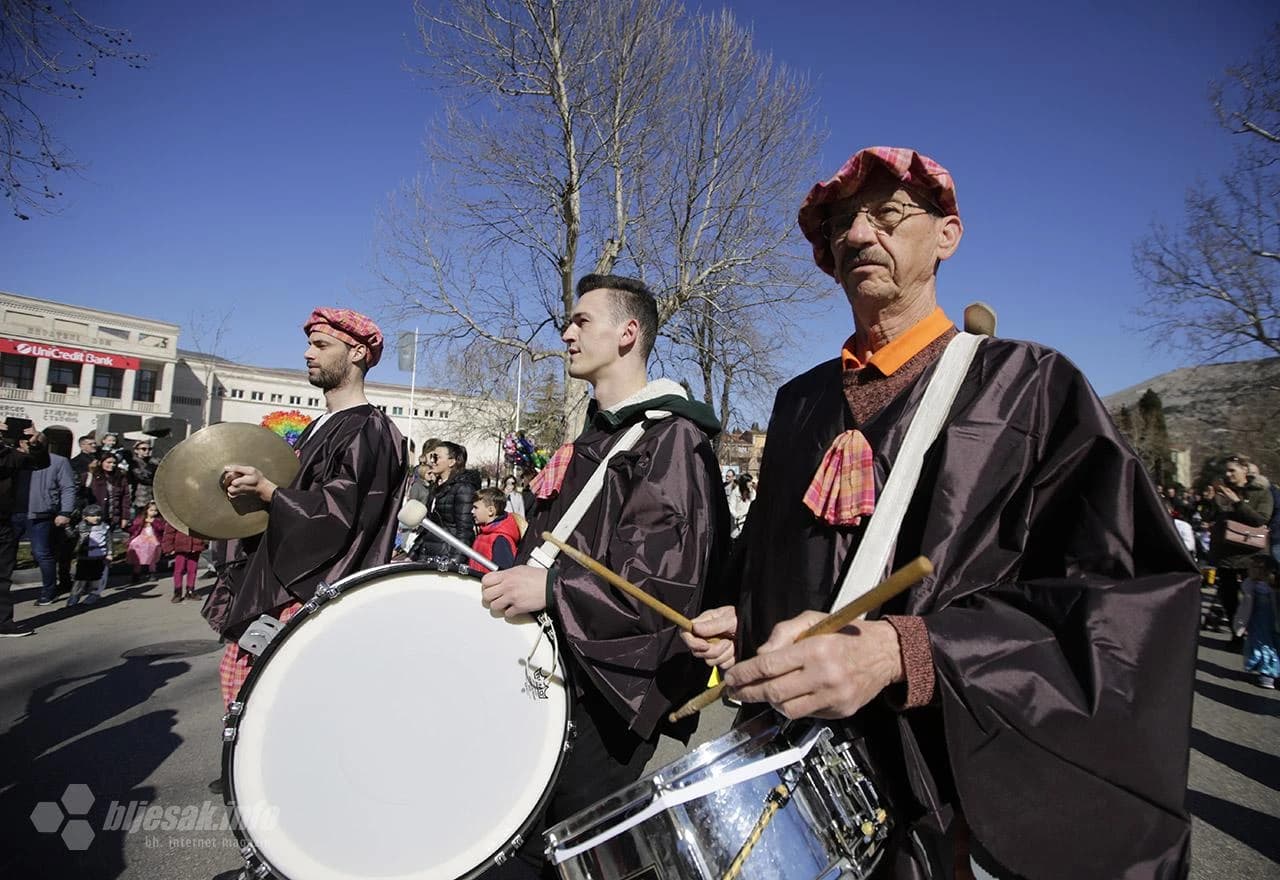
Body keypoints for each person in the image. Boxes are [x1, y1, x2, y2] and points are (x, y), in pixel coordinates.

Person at [682, 147, 1199, 879]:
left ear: (947, 235)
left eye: (889, 214)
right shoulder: (798, 403)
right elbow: (777, 556)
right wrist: (744, 612)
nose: (860, 235)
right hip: (789, 785)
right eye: (840, 223)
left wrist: (903, 652)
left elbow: (1124, 605)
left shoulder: (1030, 390)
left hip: (939, 789)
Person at [477, 273, 732, 879]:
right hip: (564, 669)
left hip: (611, 692)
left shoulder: (672, 439)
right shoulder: (600, 432)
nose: (565, 333)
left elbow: (663, 582)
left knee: (550, 854)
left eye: (581, 321)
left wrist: (552, 589)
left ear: (628, 333)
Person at [210, 307, 406, 710]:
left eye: (321, 344)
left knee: (282, 706)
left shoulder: (369, 428)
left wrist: (269, 492)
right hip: (281, 581)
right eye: (308, 344)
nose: (306, 353)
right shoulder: (319, 424)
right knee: (247, 701)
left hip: (309, 591)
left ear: (356, 353)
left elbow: (342, 516)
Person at [1210, 454, 1273, 649]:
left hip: (1252, 556)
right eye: (1226, 471)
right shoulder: (1223, 492)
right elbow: (1214, 517)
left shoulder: (1261, 492)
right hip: (1227, 555)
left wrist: (1238, 503)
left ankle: (1257, 637)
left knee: (1254, 598)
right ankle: (1236, 634)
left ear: (1245, 470)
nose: (1228, 475)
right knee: (1228, 598)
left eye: (1232, 471)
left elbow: (1260, 520)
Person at [13, 431, 77, 606]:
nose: (33, 445)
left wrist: (65, 512)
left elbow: (68, 488)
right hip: (14, 513)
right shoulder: (15, 459)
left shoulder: (58, 461)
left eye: (38, 443)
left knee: (41, 553)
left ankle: (49, 591)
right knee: (6, 554)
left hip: (41, 514)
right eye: (30, 442)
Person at [0, 423, 50, 636]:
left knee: (2, 574)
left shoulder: (6, 454)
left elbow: (38, 462)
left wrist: (36, 443)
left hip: (2, 522)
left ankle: (2, 622)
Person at [408, 440, 480, 563]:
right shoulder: (435, 487)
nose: (432, 461)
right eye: (432, 456)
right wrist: (412, 554)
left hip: (446, 558)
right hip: (427, 555)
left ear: (452, 462)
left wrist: (455, 561)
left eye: (437, 457)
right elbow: (429, 526)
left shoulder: (463, 489)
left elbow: (464, 531)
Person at [1234, 553, 1278, 689]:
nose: (1248, 571)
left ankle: (1267, 675)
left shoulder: (1271, 588)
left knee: (1265, 646)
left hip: (1266, 622)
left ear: (1261, 570)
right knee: (1263, 645)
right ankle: (1265, 671)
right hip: (1258, 622)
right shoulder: (1250, 584)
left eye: (1251, 568)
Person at [67, 504, 111, 607]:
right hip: (84, 556)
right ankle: (75, 595)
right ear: (85, 516)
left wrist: (109, 553)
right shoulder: (81, 526)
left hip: (99, 556)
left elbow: (109, 541)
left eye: (99, 515)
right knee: (80, 577)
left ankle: (94, 594)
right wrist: (67, 527)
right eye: (93, 515)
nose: (97, 518)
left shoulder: (104, 527)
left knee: (96, 577)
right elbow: (73, 536)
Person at [469, 487, 521, 573]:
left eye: (475, 508)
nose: (472, 511)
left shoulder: (501, 540)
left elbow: (504, 573)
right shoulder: (484, 532)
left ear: (490, 511)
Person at [161, 519, 205, 602]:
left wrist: (198, 544)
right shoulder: (176, 517)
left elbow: (201, 532)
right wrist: (169, 547)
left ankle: (190, 590)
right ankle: (177, 591)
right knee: (179, 570)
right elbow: (169, 533)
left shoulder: (197, 517)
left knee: (192, 570)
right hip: (180, 547)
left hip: (194, 546)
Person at [87, 453, 131, 531]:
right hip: (96, 515)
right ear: (101, 463)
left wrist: (125, 517)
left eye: (114, 463)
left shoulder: (120, 478)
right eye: (108, 462)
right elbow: (86, 489)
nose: (112, 465)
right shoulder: (94, 476)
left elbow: (125, 498)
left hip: (113, 515)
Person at [126, 501, 167, 585]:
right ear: (146, 510)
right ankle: (136, 572)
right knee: (136, 547)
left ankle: (152, 571)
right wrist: (139, 523)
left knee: (152, 549)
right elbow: (133, 529)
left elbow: (161, 528)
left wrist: (153, 522)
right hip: (141, 537)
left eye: (155, 511)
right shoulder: (141, 519)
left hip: (153, 538)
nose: (154, 512)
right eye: (151, 510)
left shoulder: (158, 520)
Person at [727, 473, 754, 540]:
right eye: (749, 481)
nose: (751, 483)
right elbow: (731, 508)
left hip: (750, 523)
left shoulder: (752, 492)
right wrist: (738, 516)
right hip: (738, 524)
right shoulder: (735, 492)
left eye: (751, 481)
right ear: (744, 482)